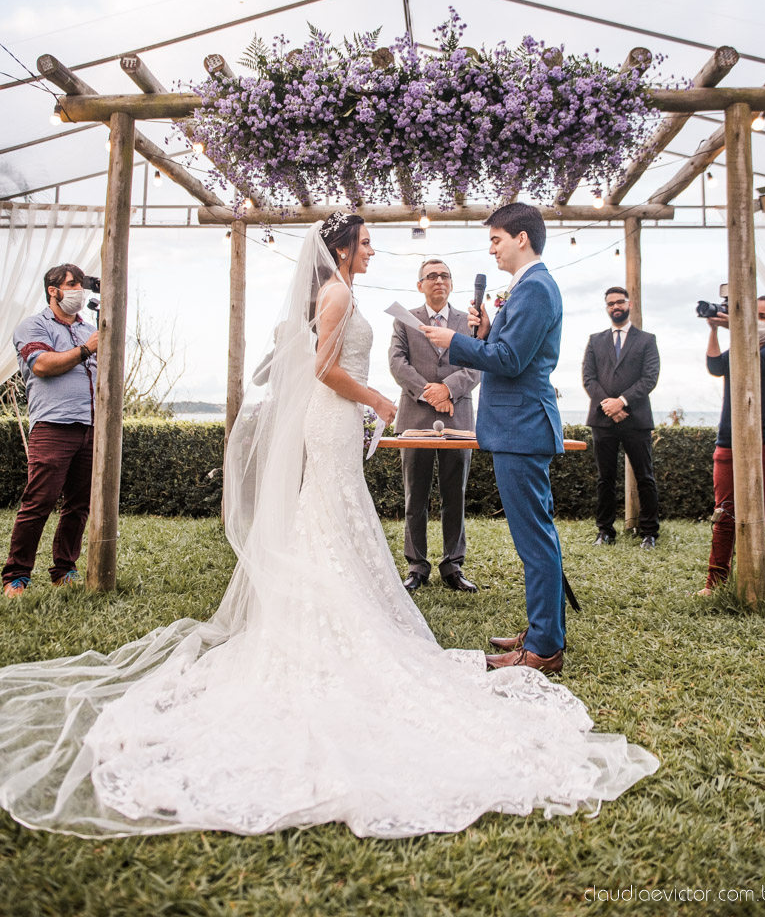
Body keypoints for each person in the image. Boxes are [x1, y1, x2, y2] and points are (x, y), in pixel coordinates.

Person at [0, 213, 657, 838]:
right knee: (332, 511)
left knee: (336, 514)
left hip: (349, 420)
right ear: (342, 248)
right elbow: (322, 367)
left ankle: (381, 615)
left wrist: (404, 381)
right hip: (336, 415)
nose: (372, 250)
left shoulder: (354, 289)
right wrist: (376, 398)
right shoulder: (337, 293)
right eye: (365, 243)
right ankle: (343, 621)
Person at [426, 202, 567, 675]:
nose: (491, 250)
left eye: (496, 240)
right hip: (518, 426)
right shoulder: (528, 287)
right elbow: (509, 351)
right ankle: (544, 631)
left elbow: (509, 361)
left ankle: (544, 648)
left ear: (521, 238)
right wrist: (486, 333)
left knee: (534, 542)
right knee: (537, 538)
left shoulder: (536, 288)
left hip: (522, 428)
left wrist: (455, 342)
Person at [2, 263, 98, 598]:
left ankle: (64, 570)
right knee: (39, 501)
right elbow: (42, 365)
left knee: (79, 505)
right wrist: (87, 349)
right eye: (72, 284)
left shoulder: (89, 329)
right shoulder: (33, 326)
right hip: (53, 426)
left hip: (91, 427)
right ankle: (16, 575)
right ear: (53, 290)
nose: (78, 291)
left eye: (81, 284)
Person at [698, 296, 765, 608]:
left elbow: (754, 365)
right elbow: (716, 366)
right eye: (751, 314)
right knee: (724, 513)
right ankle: (714, 584)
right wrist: (714, 330)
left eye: (762, 316)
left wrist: (736, 326)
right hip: (729, 440)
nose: (754, 320)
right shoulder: (742, 346)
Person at [388, 259, 480, 593]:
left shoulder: (468, 321)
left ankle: (453, 566)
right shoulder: (404, 319)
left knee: (455, 494)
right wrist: (431, 393)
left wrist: (448, 390)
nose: (438, 280)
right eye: (431, 276)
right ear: (420, 285)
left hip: (458, 417)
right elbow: (397, 362)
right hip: (415, 416)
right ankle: (417, 566)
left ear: (451, 283)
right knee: (415, 495)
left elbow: (478, 363)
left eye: (444, 275)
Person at [582, 287, 661, 550]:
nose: (615, 306)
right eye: (610, 303)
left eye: (620, 302)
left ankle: (649, 533)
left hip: (636, 418)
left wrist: (622, 402)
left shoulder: (647, 340)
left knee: (645, 477)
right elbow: (589, 378)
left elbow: (649, 378)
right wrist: (609, 405)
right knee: (605, 478)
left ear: (629, 304)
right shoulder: (595, 340)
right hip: (602, 419)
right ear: (606, 307)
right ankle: (605, 531)